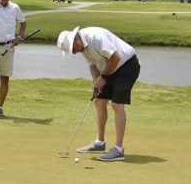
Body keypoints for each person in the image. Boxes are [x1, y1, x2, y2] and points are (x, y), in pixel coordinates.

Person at [57, 26, 140, 162]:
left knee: (117, 105)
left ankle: (118, 150)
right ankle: (99, 143)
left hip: (127, 65)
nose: (75, 53)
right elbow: (93, 65)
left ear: (75, 40)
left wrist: (103, 78)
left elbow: (115, 57)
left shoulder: (96, 37)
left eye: (73, 50)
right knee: (99, 101)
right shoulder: (82, 47)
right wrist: (96, 81)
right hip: (109, 68)